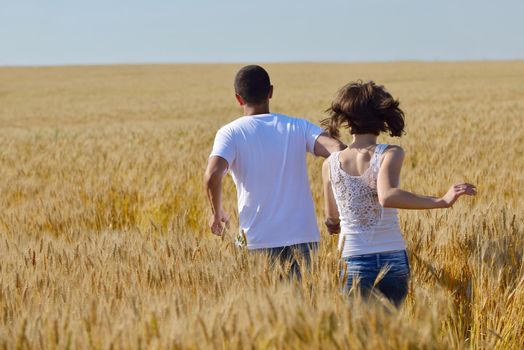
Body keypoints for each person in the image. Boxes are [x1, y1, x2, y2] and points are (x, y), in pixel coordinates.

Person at [321, 80, 476, 306]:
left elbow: (331, 216)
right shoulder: (389, 153)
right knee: (392, 331)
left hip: (352, 258)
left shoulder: (330, 163)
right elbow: (387, 196)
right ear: (382, 117)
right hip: (391, 257)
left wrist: (333, 223)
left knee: (358, 334)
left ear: (347, 119)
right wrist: (441, 201)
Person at [204, 65, 344, 277]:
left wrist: (217, 213)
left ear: (238, 98)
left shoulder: (230, 133)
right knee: (305, 307)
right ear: (270, 92)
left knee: (259, 309)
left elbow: (213, 175)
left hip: (256, 240)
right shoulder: (298, 126)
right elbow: (339, 151)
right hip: (303, 239)